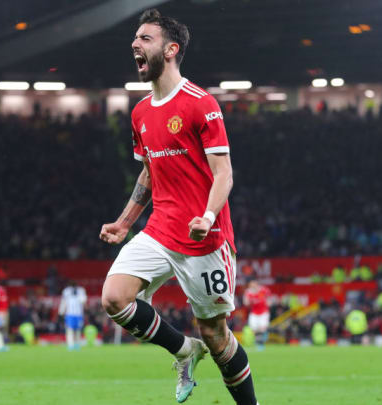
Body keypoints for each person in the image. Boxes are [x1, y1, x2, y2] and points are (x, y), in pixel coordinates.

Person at [99, 9, 258, 404]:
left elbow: (224, 174)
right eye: (134, 38)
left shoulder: (200, 103)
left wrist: (207, 215)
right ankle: (183, 351)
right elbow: (149, 174)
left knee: (217, 338)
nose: (135, 44)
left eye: (145, 38)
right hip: (160, 229)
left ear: (171, 50)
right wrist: (123, 223)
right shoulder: (139, 113)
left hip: (205, 239)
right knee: (114, 297)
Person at [243, 280, 271, 351]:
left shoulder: (264, 290)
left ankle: (261, 344)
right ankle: (259, 342)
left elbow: (269, 299)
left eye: (253, 285)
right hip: (254, 313)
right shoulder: (248, 292)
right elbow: (245, 303)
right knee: (254, 329)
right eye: (251, 286)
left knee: (262, 328)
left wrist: (268, 303)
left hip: (263, 312)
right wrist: (248, 300)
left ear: (257, 284)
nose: (252, 287)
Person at [59, 281, 87, 350]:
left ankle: (77, 345)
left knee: (78, 330)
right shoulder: (66, 291)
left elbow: (84, 300)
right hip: (69, 314)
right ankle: (70, 345)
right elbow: (63, 301)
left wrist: (78, 295)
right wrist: (61, 311)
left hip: (78, 314)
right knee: (70, 330)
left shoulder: (81, 290)